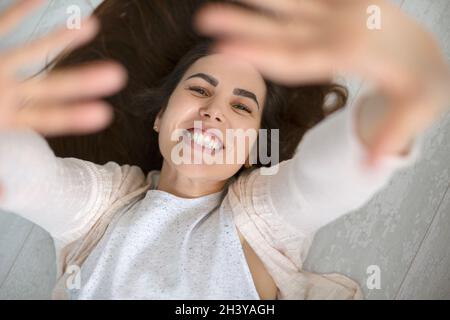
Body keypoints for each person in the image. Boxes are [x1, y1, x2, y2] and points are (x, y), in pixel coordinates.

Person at [0, 0, 448, 300]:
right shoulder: (103, 208)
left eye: (240, 105)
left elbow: (324, 179)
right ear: (160, 116)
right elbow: (32, 182)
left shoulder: (261, 216)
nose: (215, 112)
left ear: (254, 147)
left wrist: (405, 99)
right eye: (199, 89)